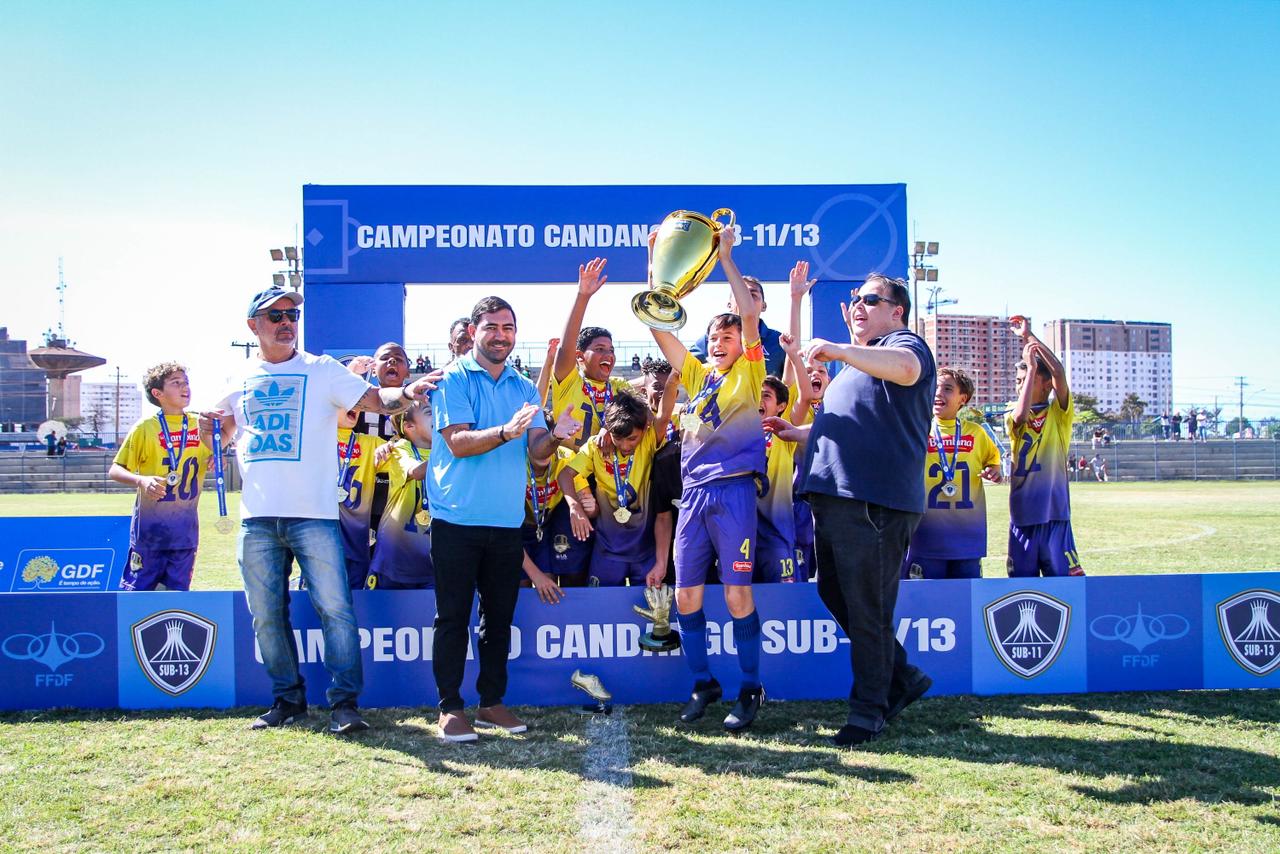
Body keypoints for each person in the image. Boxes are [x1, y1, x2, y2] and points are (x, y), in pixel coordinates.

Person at [203, 286, 438, 735]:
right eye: (275, 315)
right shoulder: (236, 379)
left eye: (292, 313)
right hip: (257, 518)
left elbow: (376, 400)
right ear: (253, 325)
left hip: (315, 515)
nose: (287, 321)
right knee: (267, 614)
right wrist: (210, 427)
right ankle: (287, 700)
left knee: (336, 609)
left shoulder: (321, 370)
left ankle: (345, 704)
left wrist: (405, 391)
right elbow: (224, 435)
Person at [770, 272, 936, 748]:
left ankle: (868, 712)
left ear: (896, 309)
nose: (858, 306)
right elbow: (854, 427)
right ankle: (901, 677)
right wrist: (800, 433)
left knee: (867, 608)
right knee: (837, 596)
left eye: (869, 299)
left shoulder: (905, 345)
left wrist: (842, 349)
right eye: (855, 300)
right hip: (839, 498)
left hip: (873, 502)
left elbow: (906, 368)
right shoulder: (861, 366)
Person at [427, 296, 579, 743]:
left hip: (507, 520)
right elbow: (458, 442)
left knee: (498, 619)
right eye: (491, 326)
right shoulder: (453, 378)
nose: (500, 335)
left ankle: (491, 703)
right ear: (474, 330)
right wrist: (505, 432)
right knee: (452, 617)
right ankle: (450, 708)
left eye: (508, 327)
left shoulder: (524, 387)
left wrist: (553, 436)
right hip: (455, 518)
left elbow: (535, 456)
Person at [648, 232, 769, 733]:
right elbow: (658, 329)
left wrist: (725, 258)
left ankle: (750, 687)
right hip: (694, 497)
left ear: (743, 344)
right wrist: (654, 267)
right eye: (713, 338)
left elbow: (748, 314)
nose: (719, 344)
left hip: (735, 493)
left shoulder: (751, 372)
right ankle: (703, 682)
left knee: (738, 597)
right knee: (686, 597)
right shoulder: (698, 378)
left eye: (728, 338)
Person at [109, 362, 213, 591]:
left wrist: (219, 456)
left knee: (177, 600)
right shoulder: (145, 427)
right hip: (149, 533)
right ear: (158, 394)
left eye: (186, 382)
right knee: (137, 598)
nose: (184, 387)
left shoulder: (200, 424)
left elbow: (218, 449)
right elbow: (115, 469)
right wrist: (141, 480)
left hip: (185, 534)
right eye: (176, 383)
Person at [561, 390, 672, 588]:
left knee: (649, 613)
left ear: (644, 430)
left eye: (632, 438)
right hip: (607, 551)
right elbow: (565, 474)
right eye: (618, 438)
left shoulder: (648, 441)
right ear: (609, 429)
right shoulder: (596, 447)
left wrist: (673, 380)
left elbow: (663, 414)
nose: (625, 445)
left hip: (645, 552)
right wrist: (574, 508)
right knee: (601, 612)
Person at [900, 368, 1002, 580]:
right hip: (926, 536)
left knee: (966, 602)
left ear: (962, 399)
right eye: (935, 387)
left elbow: (993, 461)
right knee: (925, 603)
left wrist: (994, 471)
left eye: (947, 389)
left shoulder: (976, 432)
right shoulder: (918, 428)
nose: (938, 393)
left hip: (966, 538)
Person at [1005, 315, 1083, 577]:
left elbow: (1058, 372)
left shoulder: (1059, 414)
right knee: (1021, 587)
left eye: (1024, 379)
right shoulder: (1013, 413)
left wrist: (1030, 338)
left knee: (1063, 586)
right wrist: (1029, 368)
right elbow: (1020, 417)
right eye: (1017, 381)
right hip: (1023, 516)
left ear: (1046, 384)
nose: (1018, 386)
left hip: (1055, 516)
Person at [550, 258, 634, 452]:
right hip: (570, 475)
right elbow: (566, 348)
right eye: (600, 349)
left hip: (605, 475)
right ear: (579, 356)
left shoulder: (618, 387)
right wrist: (583, 297)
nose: (608, 355)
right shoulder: (568, 381)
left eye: (611, 350)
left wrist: (608, 426)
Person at [366, 400, 435, 589]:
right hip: (395, 558)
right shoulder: (401, 448)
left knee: (429, 616)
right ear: (409, 426)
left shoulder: (445, 451)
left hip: (431, 561)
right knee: (388, 617)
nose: (437, 415)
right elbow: (416, 471)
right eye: (429, 412)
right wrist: (456, 452)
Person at [690, 273, 786, 378]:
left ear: (764, 306)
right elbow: (683, 369)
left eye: (753, 295)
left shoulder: (778, 342)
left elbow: (792, 382)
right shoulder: (709, 341)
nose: (746, 300)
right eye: (739, 295)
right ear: (729, 305)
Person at [336, 407, 386, 589]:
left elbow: (404, 458)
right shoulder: (313, 440)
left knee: (356, 603)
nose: (354, 407)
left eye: (358, 402)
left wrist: (393, 446)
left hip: (356, 544)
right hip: (320, 544)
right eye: (345, 401)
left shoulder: (371, 444)